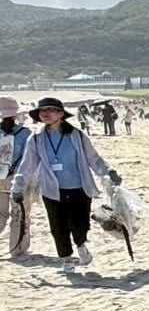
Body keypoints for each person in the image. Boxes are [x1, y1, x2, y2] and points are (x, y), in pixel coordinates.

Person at [8, 96, 122, 267]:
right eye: (42, 110)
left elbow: (94, 159)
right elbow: (27, 165)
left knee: (80, 224)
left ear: (61, 114)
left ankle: (81, 244)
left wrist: (109, 171)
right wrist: (18, 187)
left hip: (79, 188)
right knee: (58, 227)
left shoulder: (77, 135)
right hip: (51, 190)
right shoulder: (37, 138)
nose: (45, 113)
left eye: (50, 110)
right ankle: (66, 260)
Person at [0, 97, 34, 257]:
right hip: (17, 178)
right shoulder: (25, 133)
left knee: (1, 214)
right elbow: (27, 159)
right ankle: (17, 249)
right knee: (19, 214)